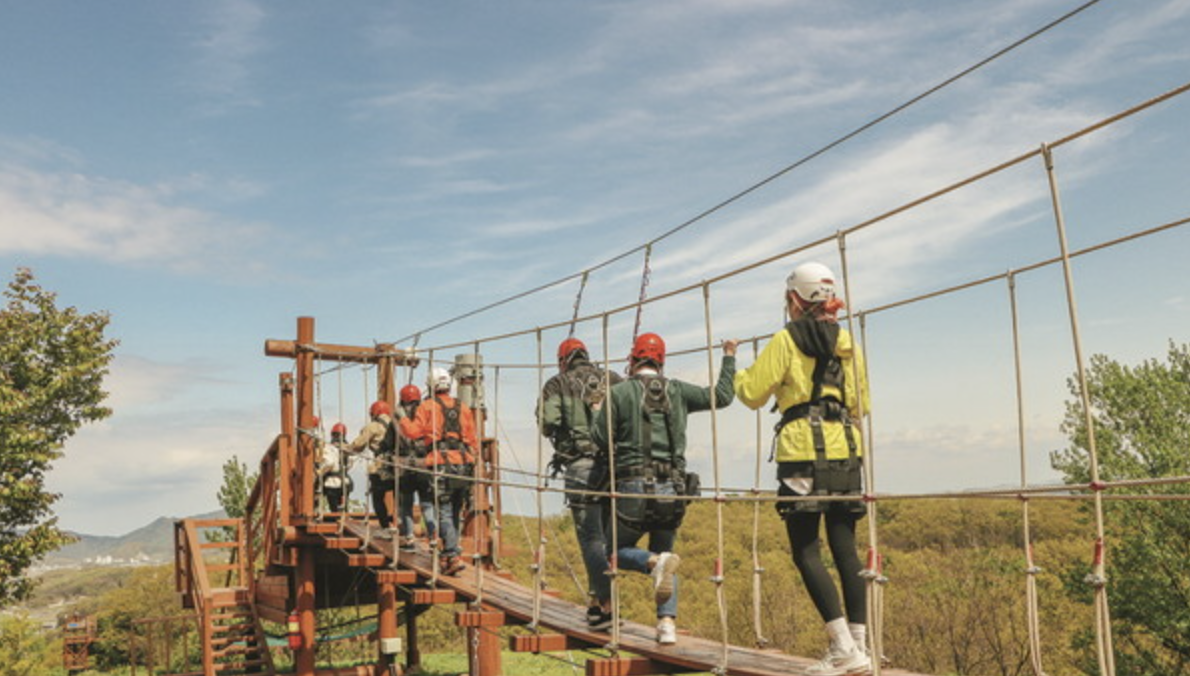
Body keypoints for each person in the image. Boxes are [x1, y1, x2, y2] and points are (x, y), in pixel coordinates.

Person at [733, 262, 871, 676]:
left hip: (802, 453)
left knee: (806, 549)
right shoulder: (848, 343)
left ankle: (843, 646)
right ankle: (860, 645)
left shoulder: (785, 340)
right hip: (847, 449)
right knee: (845, 548)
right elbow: (861, 404)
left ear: (794, 299)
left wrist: (739, 373)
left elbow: (752, 394)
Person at [591, 332, 737, 644]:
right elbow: (723, 396)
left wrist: (598, 410)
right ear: (661, 362)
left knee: (613, 553)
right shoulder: (679, 391)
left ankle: (652, 564)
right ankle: (667, 625)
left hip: (632, 486)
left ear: (633, 361)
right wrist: (729, 355)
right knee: (667, 552)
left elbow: (600, 438)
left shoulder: (619, 393)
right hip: (673, 487)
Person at [538, 337, 623, 630]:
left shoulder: (556, 384)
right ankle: (596, 604)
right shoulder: (611, 378)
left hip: (580, 466)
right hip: (616, 467)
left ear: (563, 360)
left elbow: (547, 423)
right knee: (609, 540)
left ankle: (608, 604)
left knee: (591, 539)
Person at [400, 367, 478, 576]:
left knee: (443, 510)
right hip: (463, 463)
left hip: (440, 463)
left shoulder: (427, 406)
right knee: (454, 512)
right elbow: (472, 440)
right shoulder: (463, 408)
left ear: (431, 385)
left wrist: (402, 418)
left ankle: (452, 554)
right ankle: (448, 554)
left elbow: (413, 432)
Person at [348, 400, 399, 539]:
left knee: (378, 497)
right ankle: (401, 525)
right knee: (399, 497)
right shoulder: (398, 424)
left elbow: (358, 445)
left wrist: (345, 448)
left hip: (381, 466)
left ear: (374, 413)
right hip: (400, 465)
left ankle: (385, 527)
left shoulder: (373, 427)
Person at [395, 383, 436, 553]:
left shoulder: (398, 420)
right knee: (427, 504)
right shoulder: (428, 417)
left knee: (406, 504)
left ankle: (410, 538)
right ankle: (433, 536)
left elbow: (388, 443)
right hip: (424, 465)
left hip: (404, 466)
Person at [317, 422, 352, 513]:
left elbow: (329, 463)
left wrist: (320, 472)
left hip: (332, 483)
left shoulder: (329, 448)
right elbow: (350, 463)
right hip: (345, 481)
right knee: (344, 508)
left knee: (334, 510)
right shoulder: (348, 448)